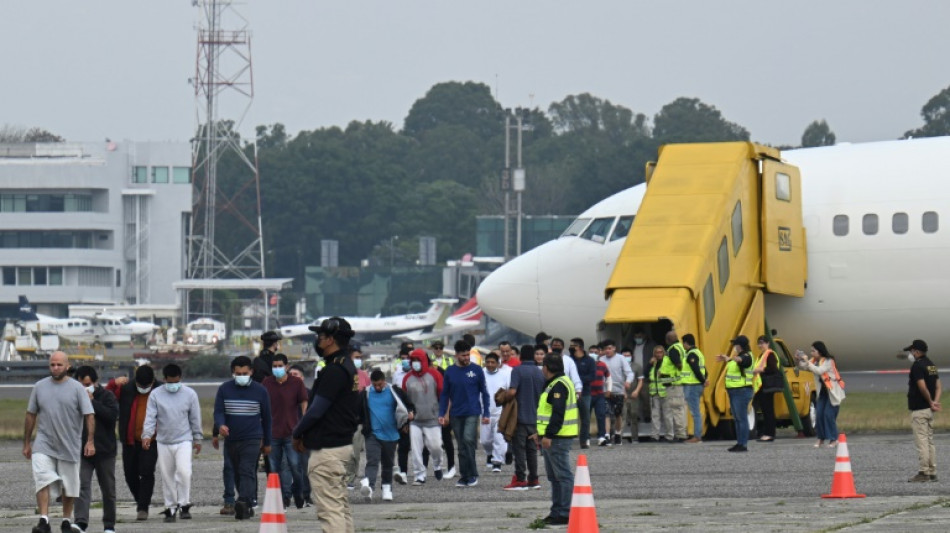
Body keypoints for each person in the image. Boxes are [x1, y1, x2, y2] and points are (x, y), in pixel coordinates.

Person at [293, 317, 361, 533]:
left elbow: (316, 410)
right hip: (341, 445)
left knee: (330, 511)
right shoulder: (346, 366)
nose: (318, 341)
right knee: (340, 507)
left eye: (320, 337)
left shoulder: (334, 370)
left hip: (328, 450)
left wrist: (298, 432)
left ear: (331, 339)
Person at [23, 352, 95, 533]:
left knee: (69, 486)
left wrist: (90, 441)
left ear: (67, 366)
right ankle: (44, 521)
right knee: (42, 479)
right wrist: (27, 443)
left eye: (59, 365)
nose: (55, 368)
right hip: (44, 443)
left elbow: (89, 415)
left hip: (69, 445)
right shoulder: (39, 387)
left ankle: (65, 521)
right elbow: (31, 414)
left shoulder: (78, 389)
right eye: (52, 365)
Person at [141, 364, 203, 523]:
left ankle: (184, 504)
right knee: (167, 476)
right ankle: (171, 507)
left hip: (184, 440)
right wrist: (147, 435)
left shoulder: (190, 394)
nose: (173, 385)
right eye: (170, 382)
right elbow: (150, 417)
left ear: (180, 379)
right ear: (164, 379)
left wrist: (198, 438)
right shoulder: (155, 395)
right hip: (163, 441)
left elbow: (195, 418)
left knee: (184, 472)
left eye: (176, 382)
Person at [215, 356, 273, 520]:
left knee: (247, 469)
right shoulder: (224, 389)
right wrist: (220, 425)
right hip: (232, 439)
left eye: (244, 373)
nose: (241, 375)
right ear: (233, 372)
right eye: (238, 373)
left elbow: (267, 418)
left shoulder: (260, 390)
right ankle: (246, 502)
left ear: (251, 372)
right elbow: (218, 411)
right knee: (236, 472)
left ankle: (242, 501)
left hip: (252, 438)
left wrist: (267, 442)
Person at [105, 365, 161, 521]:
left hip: (152, 440)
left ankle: (143, 507)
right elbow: (106, 396)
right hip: (130, 440)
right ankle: (140, 500)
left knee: (147, 472)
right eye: (140, 386)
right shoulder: (126, 388)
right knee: (130, 475)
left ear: (153, 381)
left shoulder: (160, 389)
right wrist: (114, 383)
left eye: (146, 386)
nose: (143, 388)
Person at [439, 340, 490, 487]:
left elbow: (484, 393)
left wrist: (486, 412)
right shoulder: (450, 371)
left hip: (472, 411)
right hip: (456, 413)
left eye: (468, 355)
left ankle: (473, 474)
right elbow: (445, 394)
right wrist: (442, 413)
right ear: (456, 355)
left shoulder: (477, 370)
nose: (467, 358)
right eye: (463, 355)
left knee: (468, 440)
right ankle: (464, 475)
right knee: (461, 445)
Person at [533, 353, 577, 527]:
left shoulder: (558, 385)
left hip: (557, 438)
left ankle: (564, 512)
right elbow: (549, 413)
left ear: (547, 368)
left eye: (543, 365)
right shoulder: (556, 383)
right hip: (553, 437)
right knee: (555, 477)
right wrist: (541, 433)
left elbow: (558, 414)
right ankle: (557, 511)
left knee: (562, 476)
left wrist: (549, 434)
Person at [73, 366, 119, 533]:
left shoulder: (107, 396)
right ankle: (80, 522)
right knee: (81, 486)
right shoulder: (74, 396)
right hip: (82, 451)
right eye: (83, 384)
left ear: (95, 382)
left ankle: (109, 525)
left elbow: (112, 416)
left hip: (105, 450)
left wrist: (92, 402)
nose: (86, 387)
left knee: (108, 489)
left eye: (89, 383)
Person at [262, 353, 309, 508]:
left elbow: (304, 402)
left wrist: (303, 424)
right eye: (274, 366)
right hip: (272, 433)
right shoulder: (267, 383)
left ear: (287, 367)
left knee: (295, 466)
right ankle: (284, 497)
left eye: (280, 366)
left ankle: (299, 493)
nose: (277, 369)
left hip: (291, 433)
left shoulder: (296, 383)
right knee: (275, 469)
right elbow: (261, 405)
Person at [360, 369, 414, 501]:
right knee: (372, 460)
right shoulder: (365, 394)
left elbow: (409, 404)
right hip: (372, 433)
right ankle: (369, 488)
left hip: (391, 434)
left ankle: (387, 488)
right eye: (375, 385)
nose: (377, 387)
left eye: (379, 384)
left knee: (388, 463)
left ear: (384, 381)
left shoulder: (394, 391)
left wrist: (410, 414)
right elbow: (356, 410)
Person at [503, 345, 545, 491]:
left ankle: (520, 479)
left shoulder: (518, 370)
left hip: (519, 417)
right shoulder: (539, 373)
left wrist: (503, 396)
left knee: (519, 449)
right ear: (533, 356)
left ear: (520, 356)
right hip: (535, 418)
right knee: (532, 450)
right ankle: (534, 478)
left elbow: (512, 391)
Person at [403, 348, 445, 484]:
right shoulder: (407, 378)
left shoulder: (435, 375)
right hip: (415, 420)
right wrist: (405, 417)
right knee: (416, 450)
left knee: (436, 446)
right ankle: (419, 475)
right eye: (413, 360)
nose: (415, 363)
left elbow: (442, 395)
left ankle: (438, 465)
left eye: (418, 360)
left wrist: (443, 413)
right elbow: (403, 399)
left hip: (432, 418)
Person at [903, 340, 941, 482]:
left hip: (919, 409)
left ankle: (924, 472)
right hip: (929, 410)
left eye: (911, 351)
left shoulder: (917, 366)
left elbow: (922, 386)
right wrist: (935, 401)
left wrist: (930, 401)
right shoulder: (931, 365)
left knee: (922, 442)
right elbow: (938, 385)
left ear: (917, 352)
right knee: (930, 441)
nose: (910, 354)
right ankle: (932, 471)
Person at [798, 341, 845, 448]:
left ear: (820, 351)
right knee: (819, 415)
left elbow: (819, 371)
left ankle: (833, 439)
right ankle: (821, 438)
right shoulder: (814, 361)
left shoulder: (829, 361)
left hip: (832, 392)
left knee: (828, 415)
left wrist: (807, 362)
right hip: (822, 393)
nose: (811, 353)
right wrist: (800, 359)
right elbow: (803, 367)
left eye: (813, 351)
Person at [718, 336, 754, 452]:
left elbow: (743, 361)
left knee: (741, 418)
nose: (734, 347)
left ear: (740, 346)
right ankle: (739, 442)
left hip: (742, 391)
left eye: (735, 344)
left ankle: (743, 444)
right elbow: (737, 361)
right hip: (734, 391)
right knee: (737, 418)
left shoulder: (747, 355)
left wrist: (734, 358)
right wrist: (728, 359)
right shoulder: (738, 357)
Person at [344, 345, 371, 490]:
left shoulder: (364, 376)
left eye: (360, 358)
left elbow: (368, 397)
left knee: (355, 452)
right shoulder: (342, 375)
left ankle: (350, 478)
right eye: (356, 358)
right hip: (343, 420)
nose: (358, 360)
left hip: (358, 421)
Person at [480, 352, 511, 472]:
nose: (490, 364)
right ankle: (489, 454)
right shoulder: (481, 374)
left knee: (499, 438)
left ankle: (497, 461)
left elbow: (509, 391)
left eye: (493, 362)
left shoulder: (505, 375)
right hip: (485, 411)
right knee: (485, 440)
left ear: (498, 364)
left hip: (500, 412)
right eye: (488, 362)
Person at [287, 364, 313, 507]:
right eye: (290, 375)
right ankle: (291, 493)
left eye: (296, 375)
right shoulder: (284, 393)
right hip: (287, 435)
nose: (293, 378)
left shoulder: (310, 394)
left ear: (302, 378)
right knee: (290, 467)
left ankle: (306, 495)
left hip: (304, 436)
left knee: (305, 467)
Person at [600, 339, 634, 445]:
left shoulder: (621, 358)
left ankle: (618, 433)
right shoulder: (601, 359)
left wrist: (628, 382)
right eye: (605, 349)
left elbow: (629, 373)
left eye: (609, 348)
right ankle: (607, 435)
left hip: (618, 390)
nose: (607, 351)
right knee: (606, 413)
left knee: (617, 414)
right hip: (605, 391)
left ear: (614, 348)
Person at [752, 336, 781, 443]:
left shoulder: (770, 354)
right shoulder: (761, 355)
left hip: (767, 386)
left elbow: (773, 368)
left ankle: (770, 433)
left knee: (768, 410)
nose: (760, 345)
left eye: (762, 343)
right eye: (758, 343)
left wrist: (761, 370)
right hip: (762, 386)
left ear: (768, 343)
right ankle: (767, 432)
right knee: (765, 410)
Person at [661, 331, 688, 442]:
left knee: (673, 410)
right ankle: (680, 433)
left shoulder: (673, 350)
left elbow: (678, 364)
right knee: (679, 409)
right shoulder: (681, 347)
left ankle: (676, 435)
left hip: (673, 385)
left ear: (667, 340)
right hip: (677, 384)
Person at [680, 334, 707, 443]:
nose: (683, 345)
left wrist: (703, 380)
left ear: (686, 343)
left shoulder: (691, 354)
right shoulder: (698, 353)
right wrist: (705, 379)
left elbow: (696, 369)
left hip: (692, 385)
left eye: (683, 343)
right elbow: (704, 369)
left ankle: (697, 436)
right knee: (695, 411)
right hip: (696, 385)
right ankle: (697, 435)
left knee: (695, 412)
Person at [570, 338, 596, 448]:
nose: (570, 347)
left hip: (585, 392)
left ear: (579, 347)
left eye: (572, 346)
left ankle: (584, 440)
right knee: (569, 417)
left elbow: (592, 376)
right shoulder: (569, 360)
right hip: (570, 392)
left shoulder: (590, 360)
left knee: (585, 418)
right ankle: (568, 440)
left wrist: (577, 379)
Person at [648, 345, 672, 442]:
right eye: (656, 352)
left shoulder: (668, 361)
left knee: (667, 415)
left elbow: (674, 375)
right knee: (655, 416)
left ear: (664, 352)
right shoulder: (653, 363)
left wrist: (663, 375)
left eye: (660, 352)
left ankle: (669, 436)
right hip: (654, 393)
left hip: (666, 392)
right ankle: (655, 436)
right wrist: (650, 364)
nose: (658, 354)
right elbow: (646, 374)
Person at [589, 347, 611, 447]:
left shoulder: (602, 365)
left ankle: (601, 437)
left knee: (601, 415)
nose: (593, 353)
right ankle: (586, 438)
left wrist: (609, 389)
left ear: (599, 353)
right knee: (586, 417)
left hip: (599, 395)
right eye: (591, 352)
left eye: (596, 352)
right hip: (587, 395)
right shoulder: (585, 364)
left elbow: (608, 377)